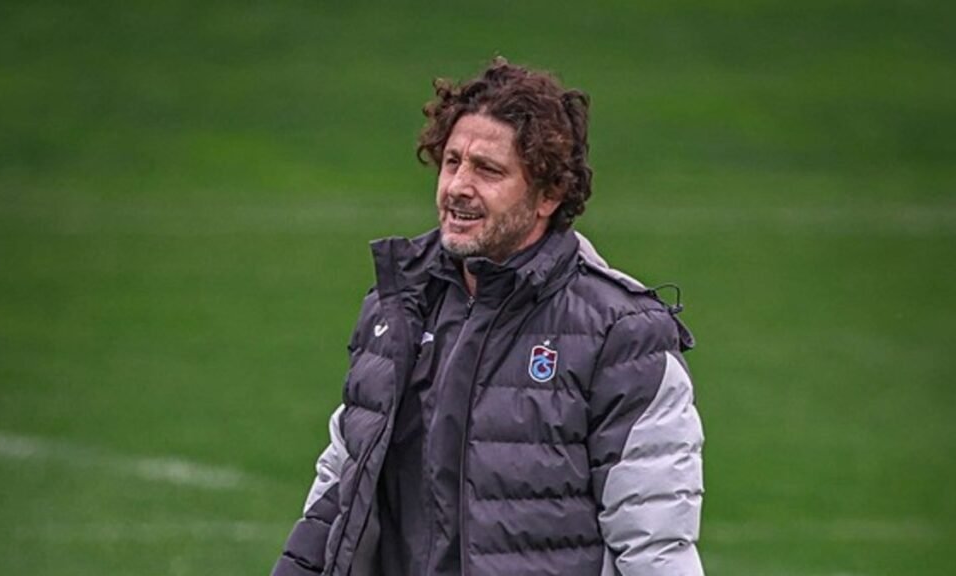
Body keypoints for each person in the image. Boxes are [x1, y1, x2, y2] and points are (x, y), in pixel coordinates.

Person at [271, 58, 705, 576]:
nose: (457, 185)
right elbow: (342, 488)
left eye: (488, 170)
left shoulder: (622, 336)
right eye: (452, 161)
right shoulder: (400, 305)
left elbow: (655, 547)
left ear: (548, 194)